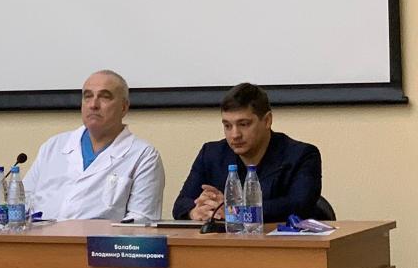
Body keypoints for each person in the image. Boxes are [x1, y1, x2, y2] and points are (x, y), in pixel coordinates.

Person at [23, 70, 165, 222]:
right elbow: (22, 201)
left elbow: (141, 220)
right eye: (88, 96)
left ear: (124, 107)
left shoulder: (143, 155)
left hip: (99, 238)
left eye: (104, 97)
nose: (93, 105)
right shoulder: (53, 146)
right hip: (39, 236)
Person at [172, 83, 322, 222]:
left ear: (267, 120)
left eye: (243, 124)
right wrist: (195, 211)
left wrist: (234, 211)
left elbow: (299, 206)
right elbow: (181, 204)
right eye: (227, 126)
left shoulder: (302, 155)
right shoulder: (211, 154)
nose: (235, 135)